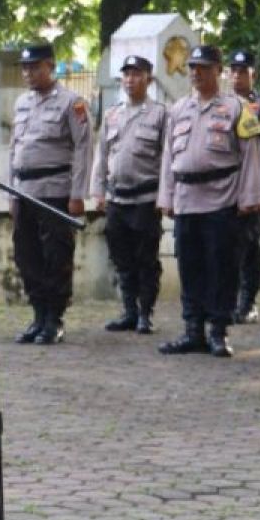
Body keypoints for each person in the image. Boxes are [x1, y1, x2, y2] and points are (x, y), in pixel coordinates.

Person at [156, 44, 260, 358]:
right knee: (191, 268)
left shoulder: (237, 108)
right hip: (187, 201)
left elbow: (251, 157)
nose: (196, 73)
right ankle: (193, 330)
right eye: (192, 67)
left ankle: (218, 331)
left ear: (219, 71)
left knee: (221, 268)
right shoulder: (178, 110)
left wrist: (250, 197)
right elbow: (168, 158)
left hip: (222, 200)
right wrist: (167, 196)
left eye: (203, 67)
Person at [9, 42, 92, 344]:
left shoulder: (72, 102)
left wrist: (78, 193)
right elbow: (14, 149)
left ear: (50, 66)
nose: (28, 72)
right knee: (26, 255)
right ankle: (38, 314)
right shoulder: (21, 103)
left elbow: (84, 148)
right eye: (25, 67)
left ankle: (54, 318)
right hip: (24, 189)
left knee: (55, 255)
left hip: (56, 189)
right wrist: (11, 192)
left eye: (35, 66)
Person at [89, 54, 166, 334]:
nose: (130, 80)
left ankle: (146, 313)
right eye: (126, 74)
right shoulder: (112, 114)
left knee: (146, 259)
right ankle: (129, 311)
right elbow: (102, 155)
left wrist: (165, 196)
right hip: (117, 200)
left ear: (148, 78)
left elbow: (167, 159)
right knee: (122, 259)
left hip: (145, 200)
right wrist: (98, 192)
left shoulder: (159, 114)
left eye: (136, 74)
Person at [228, 49, 260, 324]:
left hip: (252, 185)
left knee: (249, 248)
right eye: (233, 70)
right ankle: (228, 301)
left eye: (243, 71)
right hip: (225, 188)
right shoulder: (222, 103)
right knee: (226, 249)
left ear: (253, 74)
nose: (237, 76)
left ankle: (248, 301)